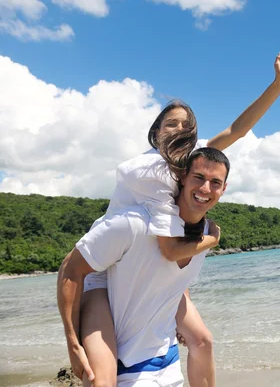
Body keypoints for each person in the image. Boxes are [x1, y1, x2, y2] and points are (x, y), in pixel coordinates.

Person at [77, 52, 280, 387]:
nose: (181, 128)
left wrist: (277, 86)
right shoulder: (147, 171)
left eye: (187, 126)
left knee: (203, 340)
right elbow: (169, 247)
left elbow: (237, 129)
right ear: (156, 132)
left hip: (153, 270)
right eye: (171, 123)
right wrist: (213, 238)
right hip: (106, 273)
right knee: (103, 379)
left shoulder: (191, 163)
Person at [58, 147, 230, 387]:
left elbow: (177, 276)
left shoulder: (206, 232)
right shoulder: (134, 223)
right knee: (102, 381)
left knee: (203, 341)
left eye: (215, 182)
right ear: (181, 178)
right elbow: (70, 268)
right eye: (198, 177)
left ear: (224, 189)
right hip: (100, 294)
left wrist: (178, 314)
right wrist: (74, 343)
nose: (205, 189)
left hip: (162, 358)